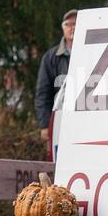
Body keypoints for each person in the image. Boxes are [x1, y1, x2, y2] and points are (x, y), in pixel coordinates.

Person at [35, 9, 75, 161]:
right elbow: (42, 93)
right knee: (59, 164)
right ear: (63, 28)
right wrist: (45, 125)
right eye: (68, 24)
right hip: (59, 122)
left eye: (76, 24)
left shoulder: (94, 52)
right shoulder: (51, 58)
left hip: (84, 121)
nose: (72, 28)